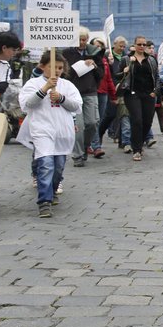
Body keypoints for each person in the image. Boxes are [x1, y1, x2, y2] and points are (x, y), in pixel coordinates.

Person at [18, 50, 82, 218]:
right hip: (42, 129)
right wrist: (44, 89)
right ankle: (44, 202)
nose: (57, 71)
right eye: (53, 67)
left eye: (60, 68)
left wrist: (61, 98)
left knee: (58, 167)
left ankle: (52, 191)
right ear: (43, 66)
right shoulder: (32, 83)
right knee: (46, 163)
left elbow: (76, 106)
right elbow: (27, 105)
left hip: (62, 130)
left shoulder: (67, 86)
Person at [62, 28, 104, 167]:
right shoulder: (67, 53)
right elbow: (65, 74)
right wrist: (79, 66)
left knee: (92, 123)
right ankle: (78, 155)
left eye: (84, 39)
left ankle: (85, 147)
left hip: (90, 91)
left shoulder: (94, 52)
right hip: (74, 92)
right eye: (79, 39)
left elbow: (101, 74)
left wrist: (94, 66)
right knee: (79, 126)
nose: (81, 42)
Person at [117, 36, 159, 161]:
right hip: (132, 93)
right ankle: (137, 149)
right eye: (139, 44)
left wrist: (156, 91)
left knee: (147, 121)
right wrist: (124, 72)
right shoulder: (126, 59)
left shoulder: (151, 60)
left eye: (143, 44)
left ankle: (139, 143)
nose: (141, 46)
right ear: (134, 45)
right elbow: (117, 76)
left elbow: (156, 76)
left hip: (148, 94)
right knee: (137, 120)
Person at [89, 38, 115, 159]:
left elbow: (108, 78)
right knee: (92, 120)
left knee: (98, 120)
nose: (98, 48)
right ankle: (95, 146)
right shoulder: (87, 59)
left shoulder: (104, 61)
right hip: (91, 92)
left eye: (100, 46)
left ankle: (93, 144)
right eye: (96, 46)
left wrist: (113, 94)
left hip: (103, 92)